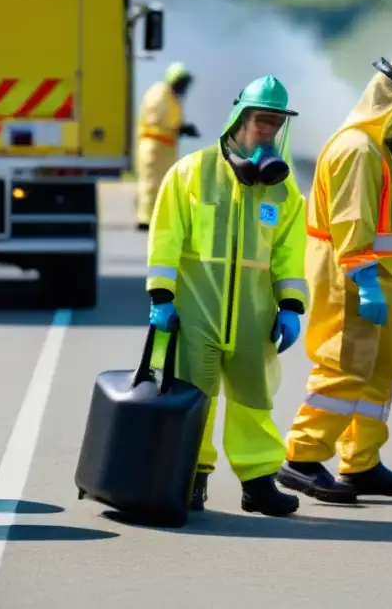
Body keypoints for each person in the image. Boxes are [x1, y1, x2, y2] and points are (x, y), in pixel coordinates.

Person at [276, 57, 392, 504]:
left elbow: (380, 221)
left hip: (375, 271)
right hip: (349, 274)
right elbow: (352, 224)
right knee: (344, 365)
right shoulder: (357, 149)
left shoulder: (381, 149)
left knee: (378, 371)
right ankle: (302, 458)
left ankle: (361, 462)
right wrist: (366, 279)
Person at [146, 74, 308, 517]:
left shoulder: (282, 188)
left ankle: (258, 484)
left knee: (254, 399)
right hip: (196, 308)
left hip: (255, 314)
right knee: (194, 398)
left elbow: (290, 255)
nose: (267, 131)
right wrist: (162, 296)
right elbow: (165, 238)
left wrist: (291, 306)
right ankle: (190, 480)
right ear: (240, 117)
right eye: (261, 120)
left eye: (276, 124)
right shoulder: (191, 172)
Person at [135, 61, 199, 231]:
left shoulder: (170, 96)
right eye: (182, 82)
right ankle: (145, 219)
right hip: (154, 146)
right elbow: (164, 120)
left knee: (163, 183)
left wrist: (183, 128)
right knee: (150, 183)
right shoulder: (159, 94)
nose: (184, 87)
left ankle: (156, 218)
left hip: (165, 147)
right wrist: (182, 128)